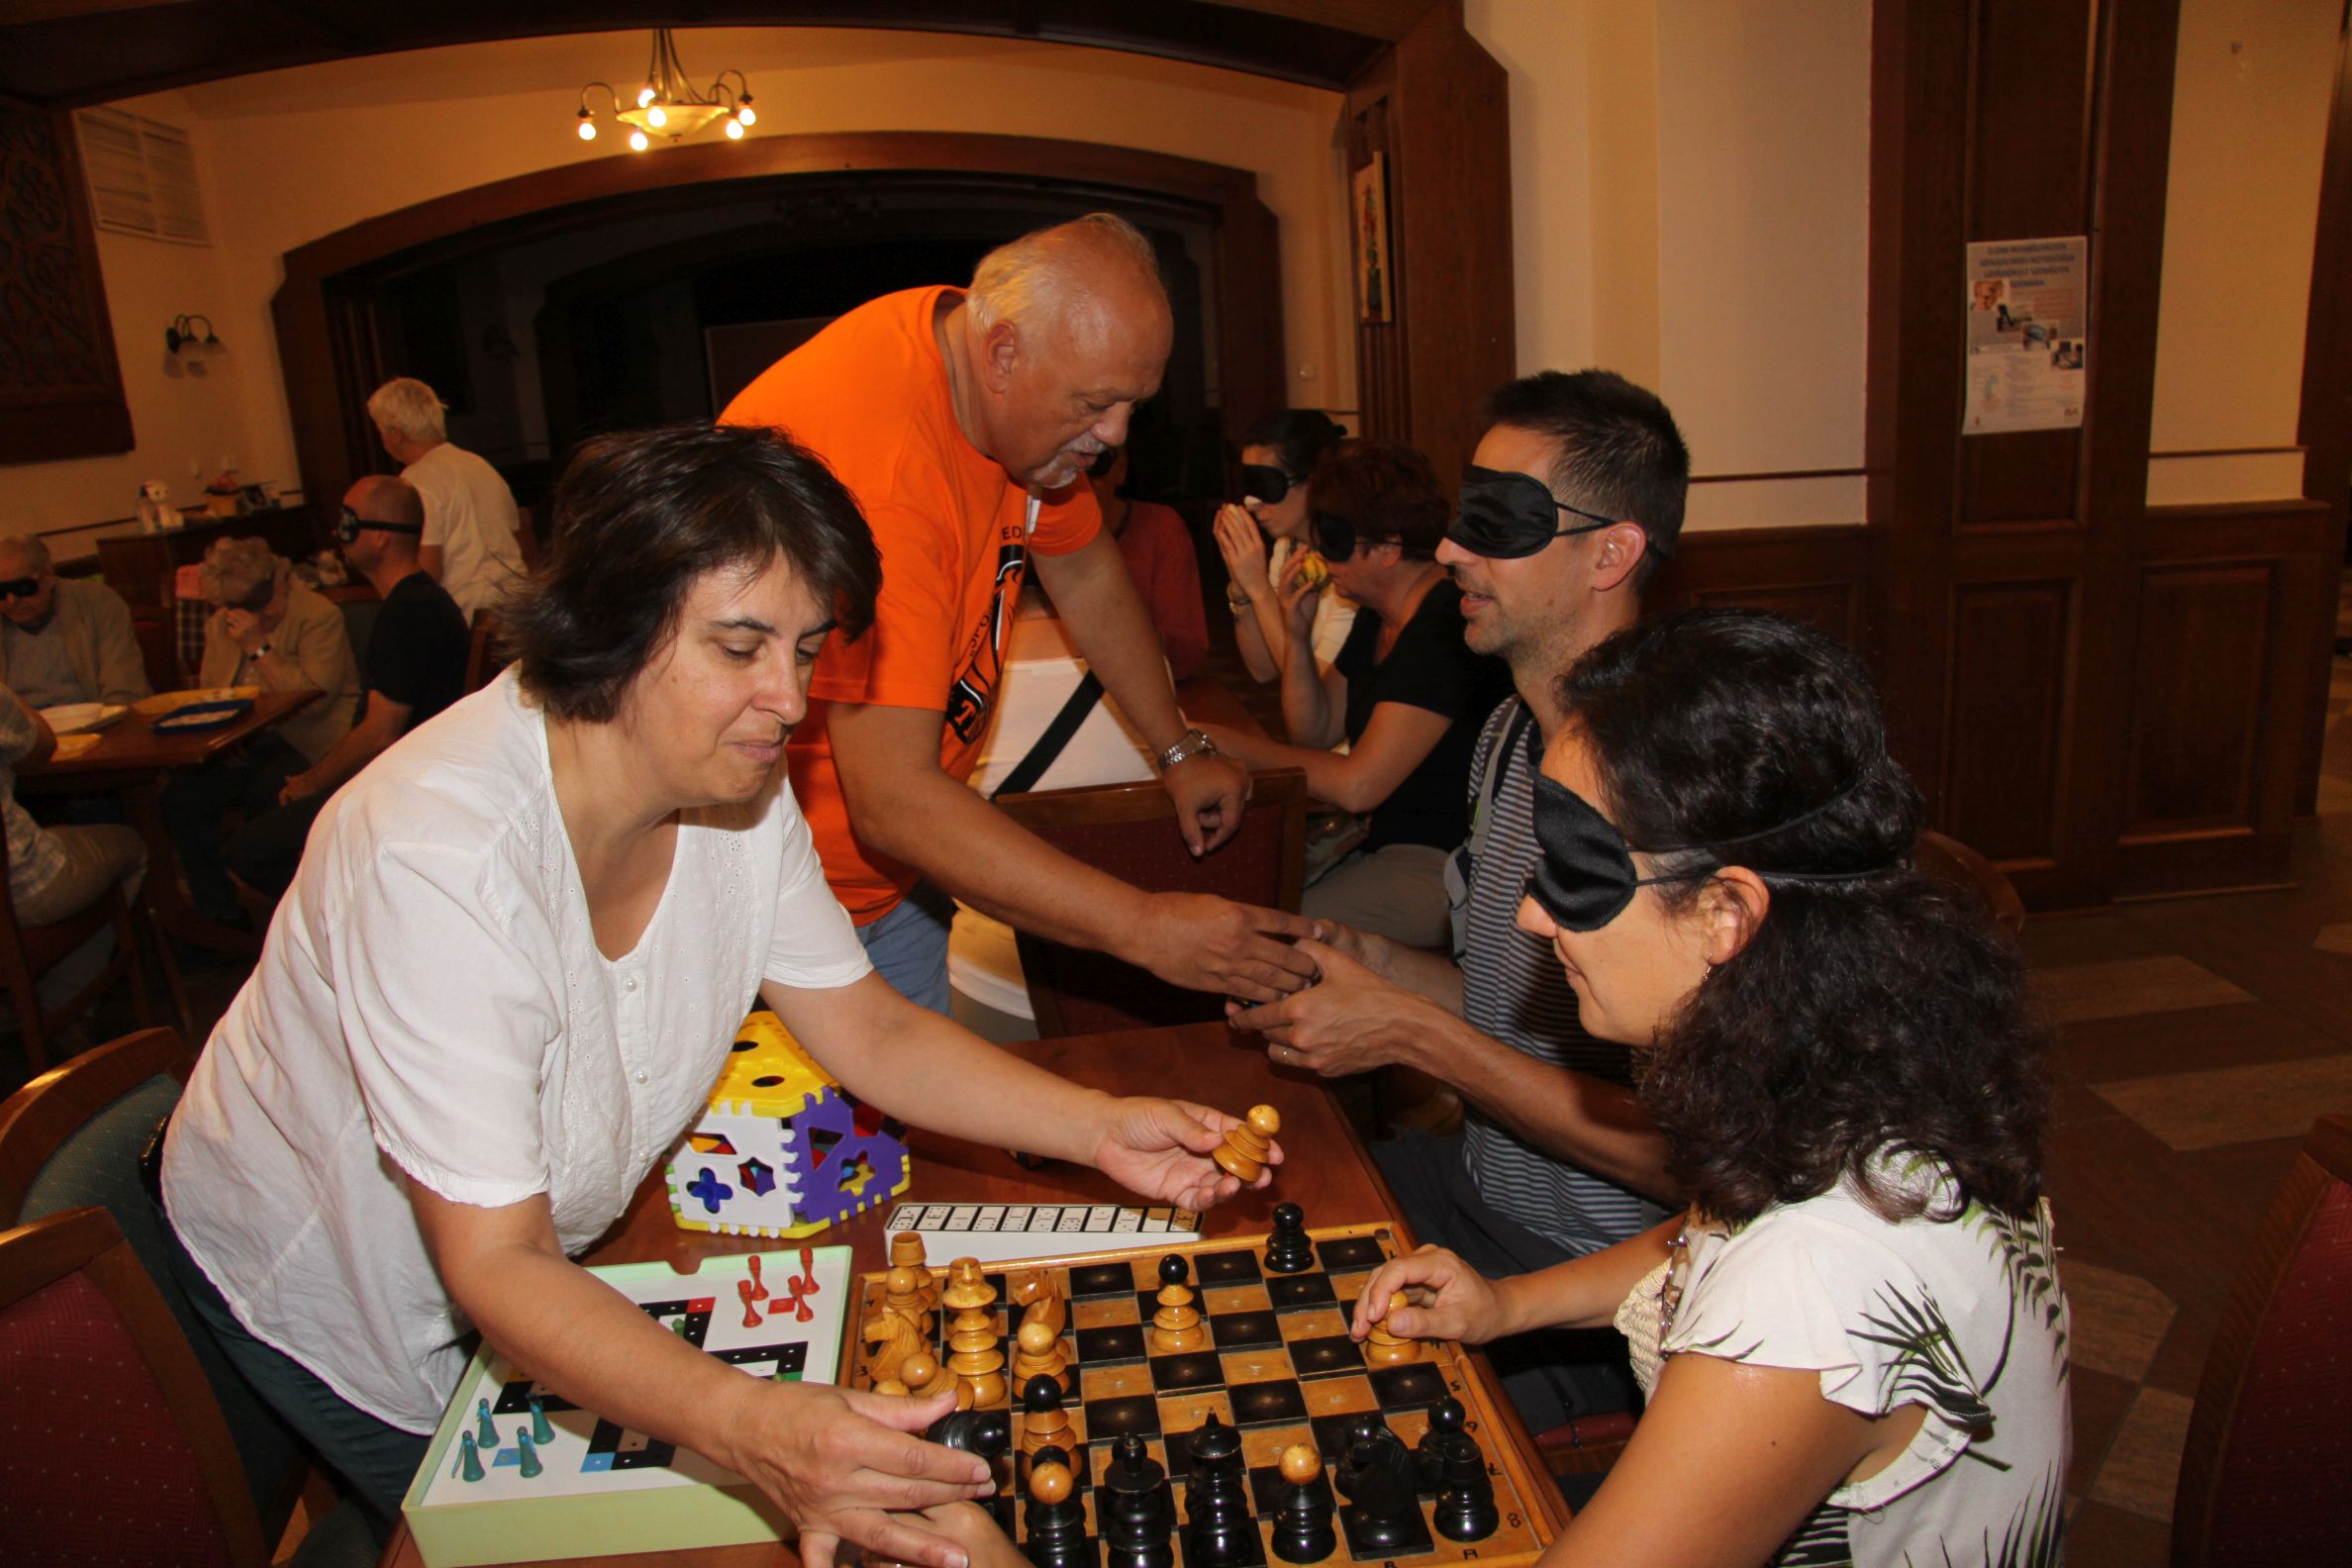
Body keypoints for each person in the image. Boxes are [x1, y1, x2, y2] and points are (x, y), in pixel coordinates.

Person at [158, 422, 1281, 1565]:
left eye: (806, 650)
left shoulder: (733, 779)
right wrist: (752, 1429)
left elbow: (868, 1027)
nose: (788, 700)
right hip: (346, 1289)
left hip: (534, 1265)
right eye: (741, 647)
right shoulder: (435, 854)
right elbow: (497, 1263)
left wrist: (1099, 1129)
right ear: (608, 622)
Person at [1348, 608, 2068, 1565]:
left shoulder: (1808, 1290)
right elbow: (1702, 1237)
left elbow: (1772, 1278)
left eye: (1575, 871)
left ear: (1727, 913)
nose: (1528, 915)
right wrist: (1509, 1305)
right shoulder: (1859, 1083)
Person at [1233, 370, 1690, 1430]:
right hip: (1474, 1190)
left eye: (1499, 521)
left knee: (1307, 1418)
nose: (1448, 550)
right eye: (1458, 516)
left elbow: (1697, 1163)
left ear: (1612, 553)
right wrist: (1358, 958)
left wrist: (1408, 1034)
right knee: (1223, 1237)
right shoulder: (1507, 737)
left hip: (1595, 1277)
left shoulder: (1666, 790)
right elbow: (1505, 1009)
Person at [723, 214, 1315, 1015]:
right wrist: (1146, 929)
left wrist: (1177, 746)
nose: (1113, 436)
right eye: (1096, 403)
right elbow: (892, 801)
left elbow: (1085, 568)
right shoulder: (884, 479)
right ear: (1002, 354)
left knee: (916, 1091)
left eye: (1132, 406)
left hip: (895, 875)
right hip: (773, 899)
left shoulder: (986, 360)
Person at [1196, 441, 1511, 948]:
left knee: (1269, 933)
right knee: (1244, 890)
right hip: (1377, 838)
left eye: (1336, 543)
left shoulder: (1443, 628)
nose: (1321, 556)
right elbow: (1315, 732)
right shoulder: (1378, 614)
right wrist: (1296, 638)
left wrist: (1234, 745)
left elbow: (1359, 785)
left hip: (1445, 859)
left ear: (1389, 548)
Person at [225, 475, 469, 899]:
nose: (338, 534)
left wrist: (312, 781)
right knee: (264, 794)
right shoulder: (416, 601)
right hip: (407, 773)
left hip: (402, 787)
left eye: (347, 522)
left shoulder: (408, 613)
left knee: (248, 850)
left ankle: (355, 916)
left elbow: (380, 732)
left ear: (379, 536)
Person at [161, 537, 359, 926]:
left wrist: (258, 648)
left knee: (265, 794)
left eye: (256, 602)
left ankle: (303, 916)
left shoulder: (316, 615)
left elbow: (315, 699)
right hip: (247, 743)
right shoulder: (221, 625)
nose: (251, 615)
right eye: (236, 607)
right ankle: (219, 915)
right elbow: (214, 693)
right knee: (181, 796)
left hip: (311, 741)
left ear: (279, 580)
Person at [1, 680, 146, 1008]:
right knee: (132, 846)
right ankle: (66, 1006)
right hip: (21, 889)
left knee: (64, 834)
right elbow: (41, 747)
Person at [367, 376, 528, 623]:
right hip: (517, 608)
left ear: (395, 434)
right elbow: (520, 539)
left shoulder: (415, 480)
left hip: (468, 618)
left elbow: (428, 572)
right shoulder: (480, 465)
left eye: (380, 431)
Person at [1212, 408, 1353, 684]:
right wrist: (1241, 585)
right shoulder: (1289, 547)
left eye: (1266, 484)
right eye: (1249, 484)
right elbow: (1263, 670)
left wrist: (1259, 588)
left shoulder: (1352, 562)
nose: (1252, 502)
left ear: (1314, 481)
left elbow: (1315, 693)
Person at [1085, 445, 1206, 681]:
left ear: (1121, 468)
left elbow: (1188, 654)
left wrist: (1129, 634)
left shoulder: (1159, 529)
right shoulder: (1027, 533)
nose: (1081, 483)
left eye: (1095, 465)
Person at [0, 533, 151, 709]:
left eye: (23, 588)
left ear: (48, 576)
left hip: (97, 718)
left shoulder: (96, 602)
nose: (11, 601)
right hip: (22, 725)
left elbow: (124, 687)